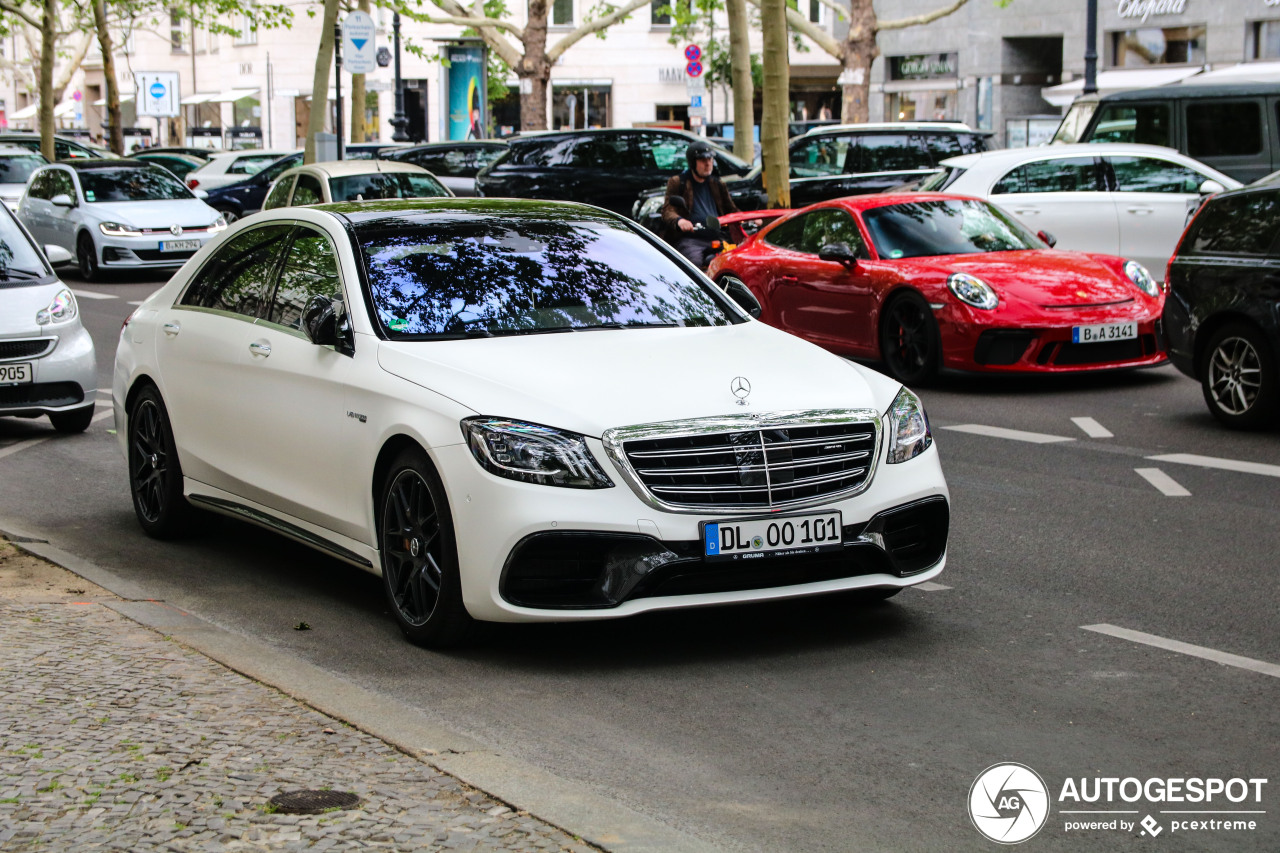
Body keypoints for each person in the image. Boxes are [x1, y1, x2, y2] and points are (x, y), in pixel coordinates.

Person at [661, 141, 740, 269]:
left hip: (717, 237)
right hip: (691, 240)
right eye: (703, 160)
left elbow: (731, 209)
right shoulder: (678, 182)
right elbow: (668, 210)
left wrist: (751, 218)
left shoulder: (718, 184)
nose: (708, 163)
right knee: (693, 266)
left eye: (710, 159)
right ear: (693, 162)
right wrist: (679, 221)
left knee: (733, 263)